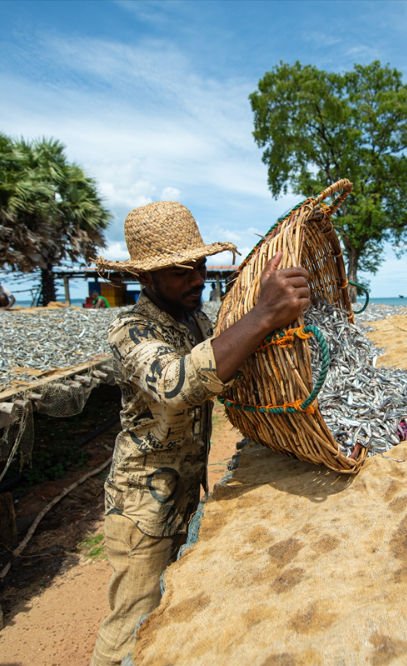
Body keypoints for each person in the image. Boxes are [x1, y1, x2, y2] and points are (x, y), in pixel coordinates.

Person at [90, 201, 310, 666]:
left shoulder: (195, 321)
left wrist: (266, 316)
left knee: (168, 611)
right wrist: (263, 315)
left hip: (186, 489)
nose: (196, 279)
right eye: (179, 271)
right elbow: (177, 384)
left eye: (200, 265)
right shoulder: (129, 330)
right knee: (131, 626)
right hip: (141, 510)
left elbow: (230, 354)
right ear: (146, 278)